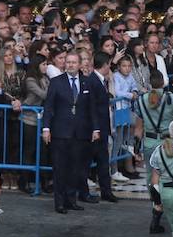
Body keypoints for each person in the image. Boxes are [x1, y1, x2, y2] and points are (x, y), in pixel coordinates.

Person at [42, 52, 101, 214]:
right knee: (60, 168)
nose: (70, 65)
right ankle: (59, 202)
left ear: (80, 64)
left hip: (81, 132)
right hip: (60, 132)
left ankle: (71, 200)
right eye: (68, 62)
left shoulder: (87, 82)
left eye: (74, 62)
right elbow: (49, 107)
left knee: (76, 169)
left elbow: (92, 108)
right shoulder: (56, 82)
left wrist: (96, 128)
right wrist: (46, 128)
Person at [135, 69, 173, 232]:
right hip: (167, 143)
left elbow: (138, 125)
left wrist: (136, 148)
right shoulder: (171, 99)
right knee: (170, 175)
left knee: (152, 178)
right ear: (163, 82)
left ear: (150, 83)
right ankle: (170, 211)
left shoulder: (141, 100)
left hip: (148, 142)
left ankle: (156, 209)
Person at [86, 52, 118, 203]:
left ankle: (106, 191)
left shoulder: (100, 81)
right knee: (87, 162)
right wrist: (95, 128)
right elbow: (92, 107)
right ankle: (84, 191)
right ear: (105, 65)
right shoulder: (92, 81)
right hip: (95, 129)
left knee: (103, 161)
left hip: (102, 128)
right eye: (109, 64)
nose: (110, 67)